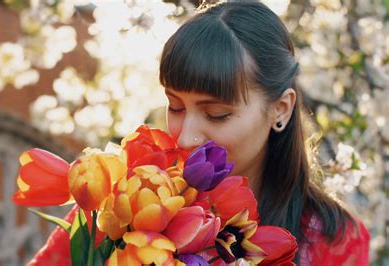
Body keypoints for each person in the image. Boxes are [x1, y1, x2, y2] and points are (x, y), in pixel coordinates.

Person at [28, 1, 370, 265]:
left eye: (217, 115)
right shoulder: (127, 200)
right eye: (175, 107)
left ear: (280, 109)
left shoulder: (333, 239)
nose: (186, 137)